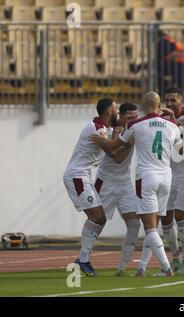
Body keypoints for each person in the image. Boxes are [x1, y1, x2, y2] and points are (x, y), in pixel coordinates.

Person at [90, 92, 182, 277]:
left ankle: (166, 268)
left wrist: (101, 140)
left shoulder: (135, 125)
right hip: (166, 177)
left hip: (147, 177)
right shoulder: (172, 126)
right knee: (154, 226)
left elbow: (113, 147)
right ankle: (142, 267)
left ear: (143, 105)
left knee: (149, 228)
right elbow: (179, 150)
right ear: (159, 104)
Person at [63, 98, 118, 276]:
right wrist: (119, 137)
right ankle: (83, 260)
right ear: (109, 111)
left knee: (100, 218)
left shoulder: (106, 128)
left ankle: (83, 260)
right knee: (97, 216)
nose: (116, 110)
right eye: (115, 107)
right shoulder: (97, 128)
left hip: (84, 176)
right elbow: (112, 152)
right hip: (76, 176)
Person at [94, 102, 140, 277]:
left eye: (136, 117)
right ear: (120, 115)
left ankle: (122, 268)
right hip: (106, 181)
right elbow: (117, 158)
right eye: (130, 117)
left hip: (125, 183)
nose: (134, 120)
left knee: (134, 224)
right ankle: (84, 261)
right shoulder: (109, 129)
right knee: (97, 222)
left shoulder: (136, 129)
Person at [159, 87, 184, 275]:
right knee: (165, 217)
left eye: (173, 100)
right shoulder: (162, 119)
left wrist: (175, 123)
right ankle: (175, 258)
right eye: (166, 100)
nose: (169, 104)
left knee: (181, 215)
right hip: (170, 172)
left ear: (181, 101)